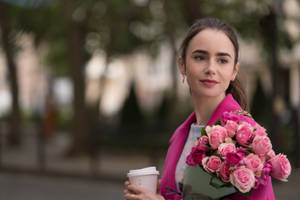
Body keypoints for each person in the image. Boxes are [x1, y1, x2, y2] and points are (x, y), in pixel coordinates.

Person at [124, 17, 275, 200]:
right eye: (200, 57)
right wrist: (163, 191)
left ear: (234, 71)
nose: (211, 68)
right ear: (182, 66)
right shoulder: (181, 134)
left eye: (222, 60)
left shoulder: (247, 138)